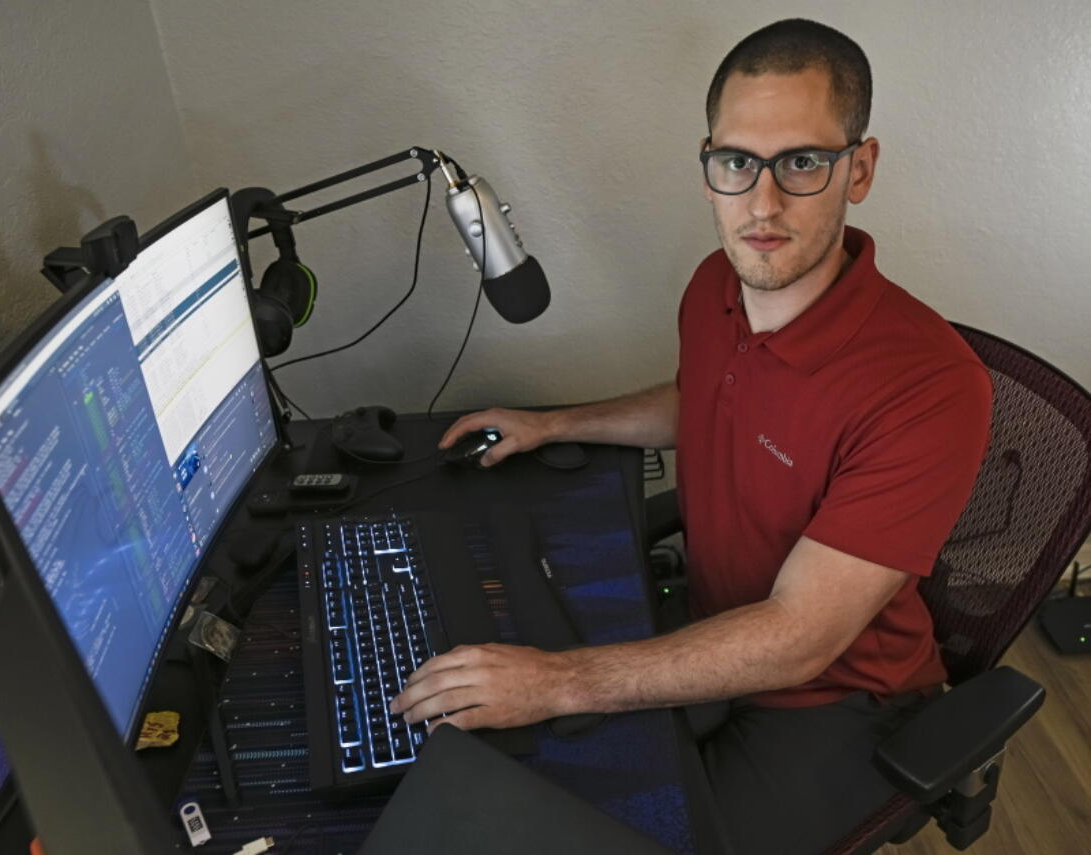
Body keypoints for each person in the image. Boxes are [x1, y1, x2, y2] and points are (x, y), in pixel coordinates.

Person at [390, 18, 992, 855]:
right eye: (738, 162)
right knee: (512, 780)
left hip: (839, 697)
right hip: (710, 623)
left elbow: (799, 637)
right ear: (709, 165)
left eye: (804, 162)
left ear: (860, 167)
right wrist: (555, 424)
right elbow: (703, 397)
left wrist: (557, 682)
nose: (763, 202)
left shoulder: (930, 386)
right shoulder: (718, 282)